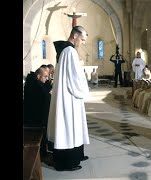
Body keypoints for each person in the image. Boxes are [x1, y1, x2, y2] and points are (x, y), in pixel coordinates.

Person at [48, 26, 90, 171]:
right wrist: (84, 89)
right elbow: (75, 77)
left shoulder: (64, 50)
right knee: (69, 125)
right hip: (69, 95)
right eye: (82, 40)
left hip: (67, 93)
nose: (82, 43)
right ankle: (67, 162)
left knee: (73, 125)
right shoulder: (70, 51)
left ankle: (76, 154)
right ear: (75, 35)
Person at [24, 66, 51, 160]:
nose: (47, 79)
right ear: (39, 76)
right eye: (45, 76)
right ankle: (42, 155)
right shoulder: (35, 85)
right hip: (35, 118)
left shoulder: (35, 83)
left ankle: (43, 153)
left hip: (37, 116)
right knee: (40, 136)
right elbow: (45, 97)